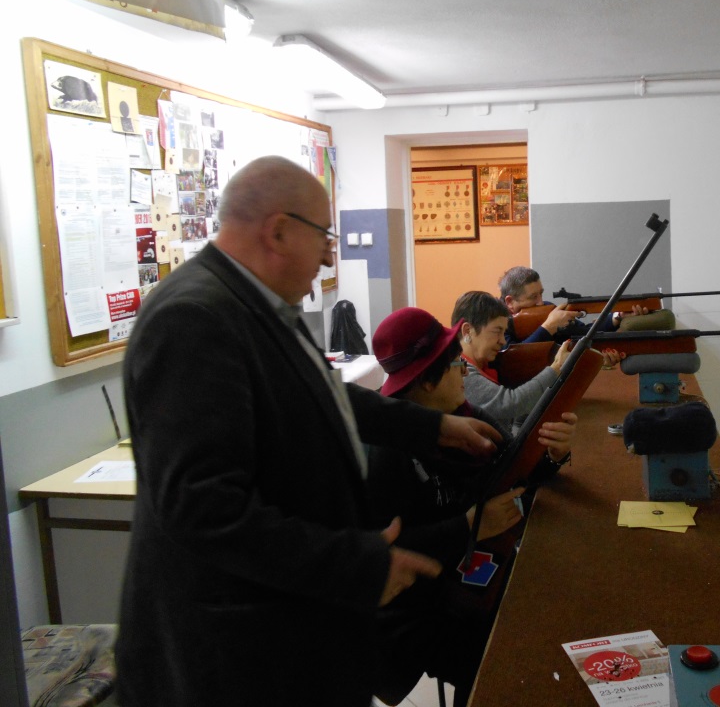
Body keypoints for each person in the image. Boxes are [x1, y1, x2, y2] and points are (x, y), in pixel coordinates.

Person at [115, 156, 501, 707]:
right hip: (233, 652)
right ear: (277, 231)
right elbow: (203, 509)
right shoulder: (194, 318)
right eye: (324, 236)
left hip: (282, 626)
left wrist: (434, 426)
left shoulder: (257, 302)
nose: (328, 256)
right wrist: (356, 563)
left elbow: (323, 396)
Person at [366, 307, 576, 707]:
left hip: (466, 579)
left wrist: (553, 454)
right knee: (509, 660)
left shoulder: (463, 415)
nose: (465, 372)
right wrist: (468, 525)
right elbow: (384, 552)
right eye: (454, 365)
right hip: (417, 609)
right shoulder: (385, 450)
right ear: (426, 381)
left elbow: (513, 472)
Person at [454, 290, 586, 435]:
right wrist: (556, 368)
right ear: (468, 330)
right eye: (497, 331)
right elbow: (510, 404)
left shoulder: (485, 366)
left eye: (503, 333)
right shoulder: (458, 372)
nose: (502, 341)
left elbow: (512, 421)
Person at [498, 265, 647, 347]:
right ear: (510, 302)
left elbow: (585, 332)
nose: (541, 302)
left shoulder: (547, 310)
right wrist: (549, 327)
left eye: (541, 294)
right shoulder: (496, 322)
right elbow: (513, 358)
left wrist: (617, 316)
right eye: (533, 297)